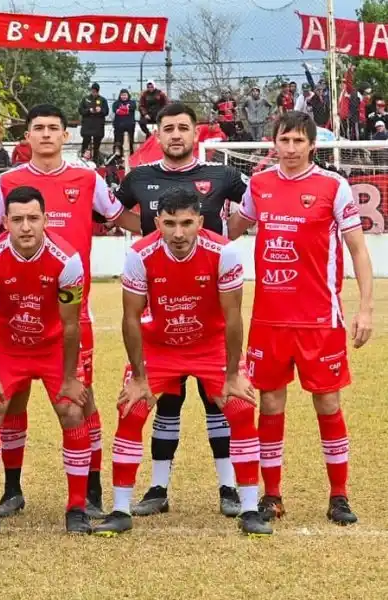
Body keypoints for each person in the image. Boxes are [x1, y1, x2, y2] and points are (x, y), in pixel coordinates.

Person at [0, 104, 138, 521]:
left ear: (67, 135)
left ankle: (89, 490)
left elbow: (122, 219)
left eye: (53, 128)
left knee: (81, 399)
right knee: (9, 402)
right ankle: (9, 490)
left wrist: (175, 230)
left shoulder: (87, 177)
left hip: (68, 311)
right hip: (13, 316)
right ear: (26, 137)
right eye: (37, 128)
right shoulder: (8, 181)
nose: (45, 134)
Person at [92, 188, 269, 538]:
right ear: (156, 222)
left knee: (240, 406)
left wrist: (233, 374)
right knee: (132, 408)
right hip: (159, 346)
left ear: (200, 222)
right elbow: (131, 317)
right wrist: (139, 378)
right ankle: (120, 509)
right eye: (169, 223)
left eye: (187, 223)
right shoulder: (139, 254)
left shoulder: (224, 251)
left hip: (210, 344)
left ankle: (249, 508)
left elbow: (233, 318)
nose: (178, 233)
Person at [228, 111, 374, 525]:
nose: (289, 149)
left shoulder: (333, 186)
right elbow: (234, 228)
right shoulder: (259, 185)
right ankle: (271, 496)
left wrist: (364, 307)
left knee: (327, 402)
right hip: (269, 320)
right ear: (272, 142)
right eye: (283, 140)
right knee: (270, 403)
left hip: (319, 320)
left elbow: (358, 250)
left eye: (297, 141)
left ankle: (339, 496)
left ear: (312, 144)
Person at [114, 102, 248, 518]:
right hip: (163, 316)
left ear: (196, 134)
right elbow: (115, 210)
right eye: (168, 128)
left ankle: (229, 489)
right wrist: (150, 240)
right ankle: (158, 487)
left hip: (208, 304)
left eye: (183, 128)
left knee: (219, 403)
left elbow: (258, 203)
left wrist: (230, 234)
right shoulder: (139, 177)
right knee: (164, 405)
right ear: (158, 133)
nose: (176, 134)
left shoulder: (222, 175)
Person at [0, 185, 91, 533]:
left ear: (46, 220)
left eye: (33, 218)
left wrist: (70, 378)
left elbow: (71, 325)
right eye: (18, 219)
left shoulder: (67, 260)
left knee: (72, 408)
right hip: (8, 346)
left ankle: (77, 507)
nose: (26, 227)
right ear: (4, 221)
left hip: (52, 346)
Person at [79, 83, 108, 159]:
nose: (94, 92)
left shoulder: (103, 100)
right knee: (86, 142)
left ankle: (96, 159)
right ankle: (83, 158)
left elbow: (106, 112)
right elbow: (80, 110)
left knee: (96, 145)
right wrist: (89, 110)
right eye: (93, 91)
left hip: (98, 126)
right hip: (87, 125)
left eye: (96, 91)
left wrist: (101, 110)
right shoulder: (85, 99)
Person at [111, 89, 137, 154]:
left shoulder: (132, 102)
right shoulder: (116, 103)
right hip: (118, 125)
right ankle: (118, 156)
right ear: (120, 96)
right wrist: (126, 109)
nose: (124, 96)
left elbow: (132, 108)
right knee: (118, 142)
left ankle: (132, 155)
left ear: (128, 95)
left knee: (131, 141)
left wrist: (121, 109)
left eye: (125, 95)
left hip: (130, 125)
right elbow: (115, 110)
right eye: (122, 95)